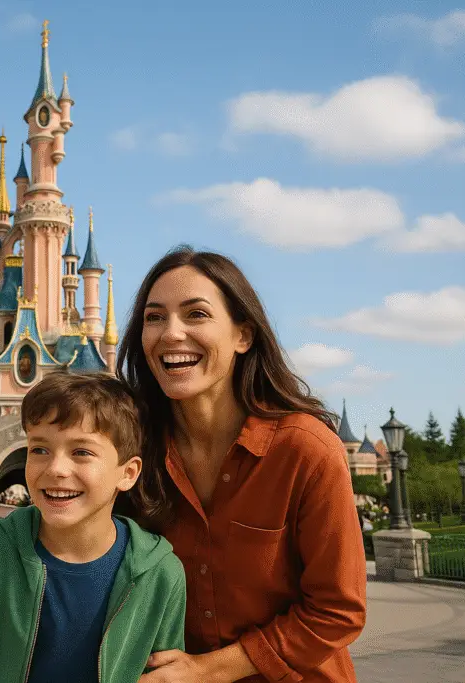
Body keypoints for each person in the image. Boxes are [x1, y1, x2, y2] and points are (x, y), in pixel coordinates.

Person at [114, 246, 367, 683]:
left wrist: (209, 670)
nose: (171, 333)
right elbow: (68, 518)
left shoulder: (305, 451)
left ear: (242, 336)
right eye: (154, 318)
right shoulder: (131, 449)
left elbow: (338, 609)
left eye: (196, 314)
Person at [0, 371, 187, 683]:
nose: (56, 469)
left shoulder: (160, 573)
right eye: (39, 449)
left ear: (128, 473)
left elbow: (165, 674)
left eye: (81, 452)